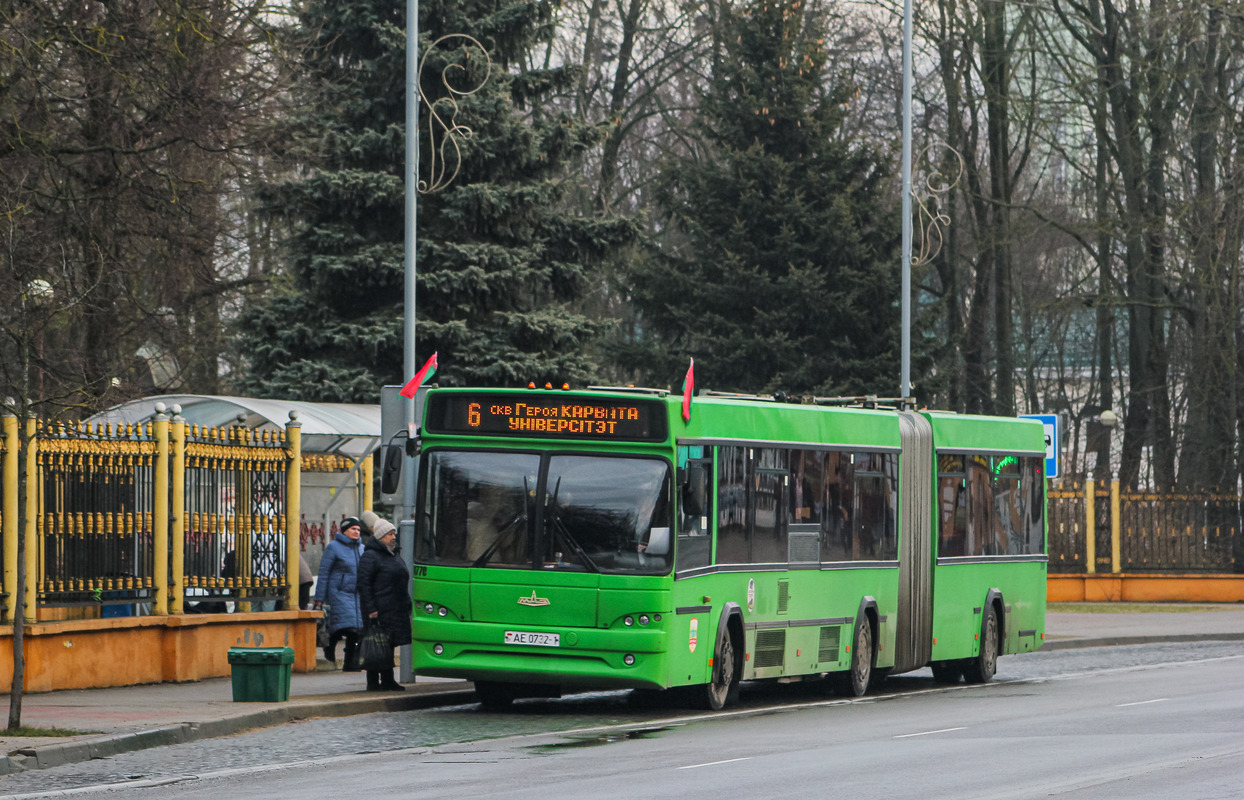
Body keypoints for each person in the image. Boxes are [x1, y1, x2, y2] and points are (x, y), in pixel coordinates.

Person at [357, 515, 411, 691]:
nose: (393, 537)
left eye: (394, 533)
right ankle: (373, 682)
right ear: (380, 537)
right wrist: (371, 608)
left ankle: (388, 679)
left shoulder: (393, 554)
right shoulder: (370, 556)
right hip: (379, 608)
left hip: (394, 607)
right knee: (377, 643)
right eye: (389, 534)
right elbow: (363, 584)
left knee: (389, 644)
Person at [312, 516, 365, 670]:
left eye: (358, 529)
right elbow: (324, 573)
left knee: (356, 630)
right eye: (353, 529)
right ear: (344, 531)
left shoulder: (362, 548)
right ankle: (330, 646)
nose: (356, 532)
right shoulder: (333, 547)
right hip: (339, 593)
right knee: (345, 627)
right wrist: (319, 598)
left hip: (357, 594)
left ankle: (351, 663)